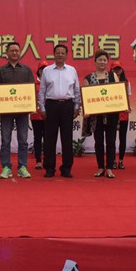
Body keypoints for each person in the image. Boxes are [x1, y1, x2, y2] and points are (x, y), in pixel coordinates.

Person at [39, 44, 81, 178]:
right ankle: (49, 168)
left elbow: (76, 90)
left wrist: (76, 106)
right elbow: (42, 91)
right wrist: (42, 108)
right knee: (49, 139)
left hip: (67, 106)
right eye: (58, 52)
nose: (60, 55)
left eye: (63, 53)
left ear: (66, 55)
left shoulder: (72, 70)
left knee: (67, 138)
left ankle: (66, 168)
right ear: (54, 54)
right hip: (51, 106)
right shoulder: (47, 70)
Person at [0, 41, 35, 179]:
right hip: (6, 111)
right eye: (11, 50)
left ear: (20, 52)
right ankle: (6, 167)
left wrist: (32, 105)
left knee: (23, 140)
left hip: (22, 111)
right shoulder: (1, 70)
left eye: (17, 50)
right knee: (5, 140)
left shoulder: (26, 70)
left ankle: (22, 167)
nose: (14, 53)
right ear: (7, 53)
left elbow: (31, 89)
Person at [83, 50, 119, 178]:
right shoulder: (88, 78)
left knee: (111, 141)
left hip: (111, 115)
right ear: (95, 62)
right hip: (96, 117)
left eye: (105, 60)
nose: (102, 62)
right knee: (98, 142)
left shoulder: (113, 76)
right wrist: (86, 110)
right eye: (100, 60)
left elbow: (118, 93)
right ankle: (100, 167)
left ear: (107, 62)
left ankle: (109, 168)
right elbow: (85, 97)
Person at [110, 61, 131, 169]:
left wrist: (128, 108)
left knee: (122, 138)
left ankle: (121, 160)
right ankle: (113, 160)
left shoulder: (126, 82)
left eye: (119, 69)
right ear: (111, 70)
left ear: (122, 70)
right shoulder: (108, 82)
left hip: (123, 113)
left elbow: (128, 97)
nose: (117, 71)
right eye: (115, 69)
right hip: (112, 113)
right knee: (111, 138)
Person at [30, 60, 49, 170]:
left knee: (48, 138)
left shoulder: (51, 83)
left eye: (46, 69)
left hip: (48, 115)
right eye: (42, 69)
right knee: (37, 138)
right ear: (38, 71)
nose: (44, 71)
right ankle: (38, 160)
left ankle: (47, 160)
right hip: (36, 115)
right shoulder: (33, 84)